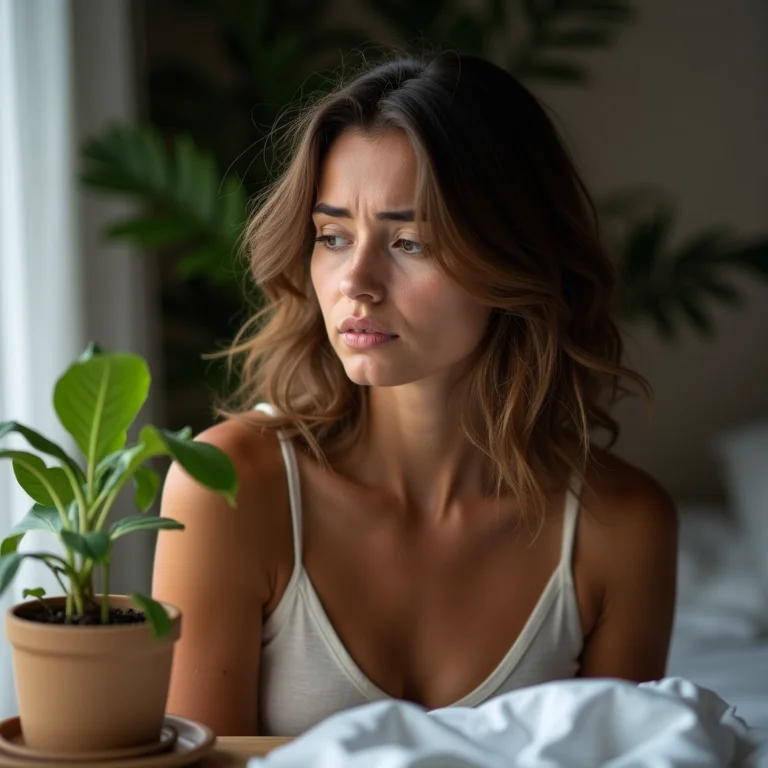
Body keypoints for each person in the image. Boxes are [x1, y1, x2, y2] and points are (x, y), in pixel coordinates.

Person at [152, 51, 678, 737]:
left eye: (410, 243)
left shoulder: (621, 530)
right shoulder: (229, 489)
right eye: (332, 236)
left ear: (514, 255)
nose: (356, 282)